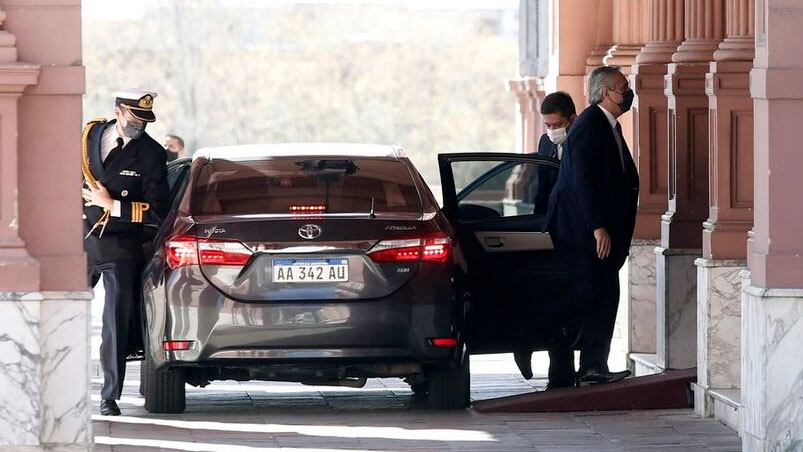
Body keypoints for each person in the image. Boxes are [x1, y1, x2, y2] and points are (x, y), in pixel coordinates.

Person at [542, 66, 640, 389]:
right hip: (582, 235)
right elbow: (584, 183)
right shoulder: (589, 126)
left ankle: (593, 365)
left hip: (597, 235)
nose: (627, 93)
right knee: (590, 295)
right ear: (605, 93)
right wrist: (599, 226)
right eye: (622, 88)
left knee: (605, 294)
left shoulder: (607, 125)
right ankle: (578, 363)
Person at [82, 88, 169, 416]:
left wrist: (113, 205)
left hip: (121, 243)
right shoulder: (89, 135)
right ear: (118, 111)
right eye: (134, 119)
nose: (139, 126)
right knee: (64, 311)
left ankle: (109, 395)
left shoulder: (151, 154)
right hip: (80, 239)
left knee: (116, 321)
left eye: (145, 121)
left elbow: (159, 211)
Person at [513, 91, 578, 381]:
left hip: (580, 235)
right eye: (548, 126)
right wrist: (537, 227)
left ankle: (531, 342)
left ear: (571, 119)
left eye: (556, 125)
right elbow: (542, 190)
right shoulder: (545, 144)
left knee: (573, 301)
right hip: (552, 234)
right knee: (556, 296)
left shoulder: (583, 141)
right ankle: (559, 372)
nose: (552, 131)